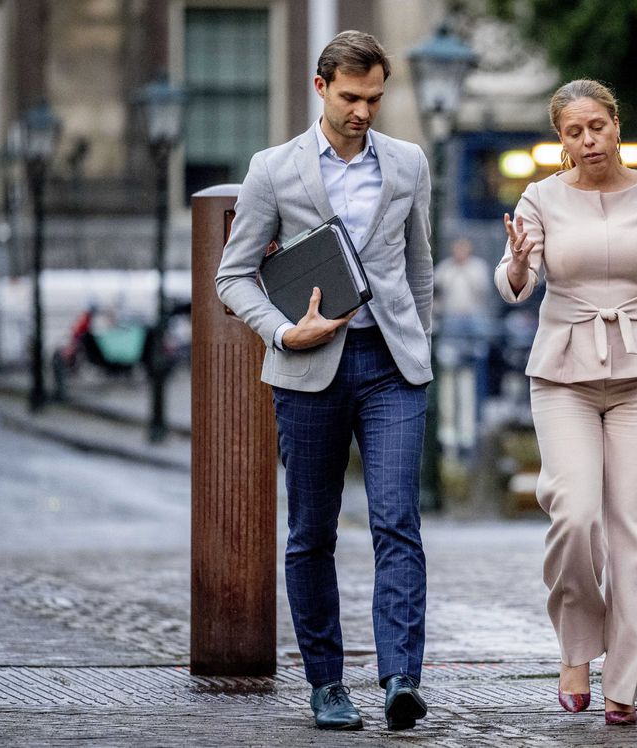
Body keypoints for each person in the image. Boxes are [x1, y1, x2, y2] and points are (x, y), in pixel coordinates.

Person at [215, 31, 432, 732]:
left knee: (397, 519)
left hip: (392, 371)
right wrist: (283, 332)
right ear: (320, 87)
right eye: (350, 97)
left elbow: (417, 266)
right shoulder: (273, 170)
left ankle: (401, 677)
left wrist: (417, 340)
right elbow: (232, 276)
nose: (364, 111)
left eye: (374, 97)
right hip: (309, 372)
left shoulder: (407, 163)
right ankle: (327, 684)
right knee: (312, 532)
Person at [495, 79, 637, 726]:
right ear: (560, 140)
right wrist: (518, 263)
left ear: (616, 124)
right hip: (564, 375)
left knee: (633, 536)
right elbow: (514, 286)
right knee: (576, 516)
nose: (587, 141)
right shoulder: (540, 197)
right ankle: (577, 647)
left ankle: (624, 682)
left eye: (596, 127)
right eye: (572, 132)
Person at [434, 238, 493, 456]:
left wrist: (463, 270)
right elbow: (437, 293)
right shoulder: (445, 269)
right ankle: (448, 434)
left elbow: (482, 291)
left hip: (471, 330)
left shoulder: (477, 267)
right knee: (448, 381)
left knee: (468, 381)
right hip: (450, 329)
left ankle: (467, 435)